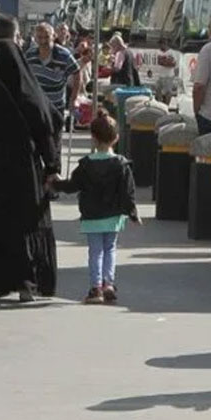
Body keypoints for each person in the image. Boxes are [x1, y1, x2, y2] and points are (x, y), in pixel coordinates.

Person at [0, 15, 60, 301]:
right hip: (26, 172)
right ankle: (27, 284)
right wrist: (52, 168)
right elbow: (49, 125)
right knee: (26, 224)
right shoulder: (31, 93)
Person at [53, 109, 140, 304]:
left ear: (92, 138)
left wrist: (55, 182)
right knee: (110, 248)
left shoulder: (85, 165)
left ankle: (95, 288)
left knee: (95, 251)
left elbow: (72, 186)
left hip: (92, 216)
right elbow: (128, 191)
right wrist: (132, 213)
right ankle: (109, 283)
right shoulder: (121, 165)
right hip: (113, 215)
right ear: (116, 138)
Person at [26, 22, 80, 148]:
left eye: (47, 37)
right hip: (37, 107)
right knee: (36, 145)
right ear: (35, 38)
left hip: (56, 107)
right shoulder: (30, 55)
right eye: (40, 37)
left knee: (54, 144)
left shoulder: (64, 54)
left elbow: (77, 73)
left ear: (53, 36)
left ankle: (55, 166)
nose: (43, 41)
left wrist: (73, 98)